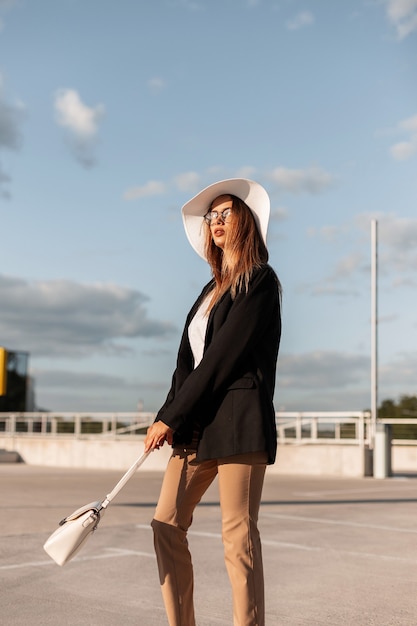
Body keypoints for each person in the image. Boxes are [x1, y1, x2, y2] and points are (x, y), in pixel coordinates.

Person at [144, 178, 282, 626]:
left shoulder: (260, 281)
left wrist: (172, 416)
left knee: (236, 537)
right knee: (165, 525)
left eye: (226, 213)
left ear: (245, 222)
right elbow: (188, 365)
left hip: (239, 423)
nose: (216, 221)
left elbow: (223, 358)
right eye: (211, 216)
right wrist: (167, 416)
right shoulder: (206, 293)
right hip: (196, 429)